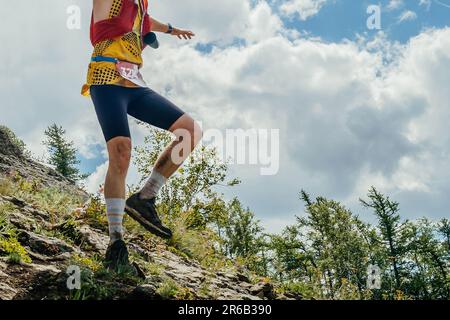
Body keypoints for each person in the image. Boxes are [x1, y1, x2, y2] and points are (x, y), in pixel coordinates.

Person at [82, 0, 202, 272]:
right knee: (121, 152)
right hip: (105, 77)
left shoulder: (139, 6)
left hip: (134, 82)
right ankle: (115, 242)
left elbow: (147, 21)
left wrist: (171, 29)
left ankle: (145, 197)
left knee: (190, 131)